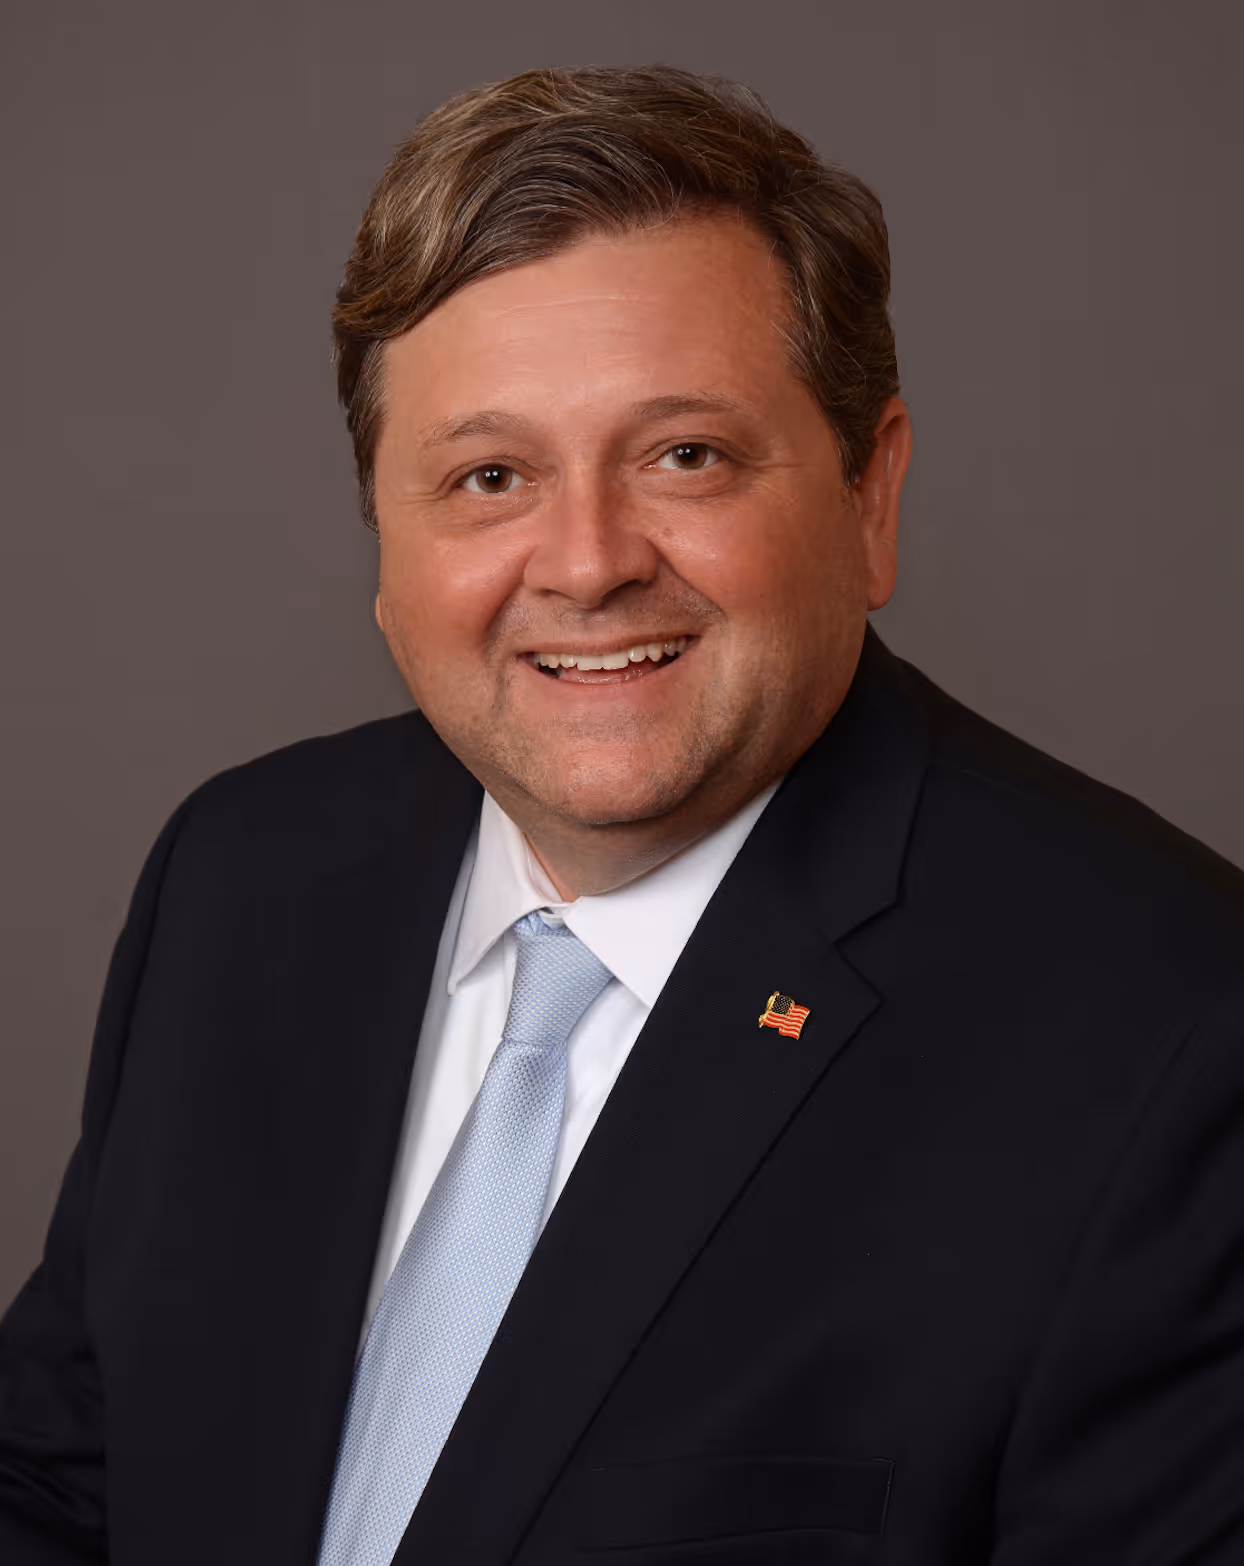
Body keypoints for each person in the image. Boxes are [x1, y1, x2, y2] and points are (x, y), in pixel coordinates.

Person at [1, 62, 1241, 1566]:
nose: (585, 563)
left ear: (870, 495)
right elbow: (62, 1485)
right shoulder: (244, 877)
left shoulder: (1170, 1032)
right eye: (489, 474)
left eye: (685, 455)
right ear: (384, 546)